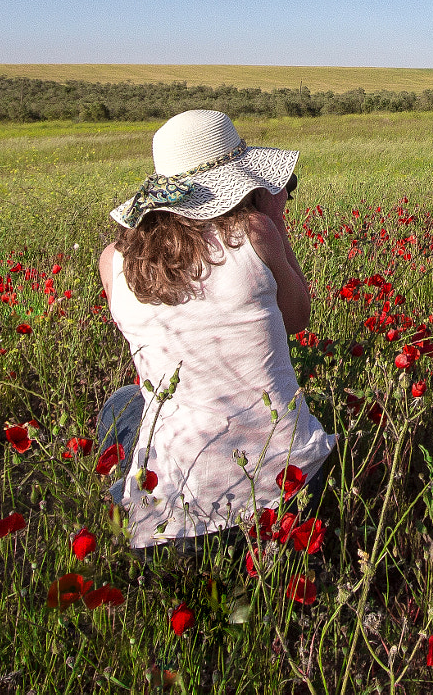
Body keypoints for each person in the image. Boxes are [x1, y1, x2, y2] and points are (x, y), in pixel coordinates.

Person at [94, 110, 335, 551]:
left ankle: (129, 515)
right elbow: (298, 317)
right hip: (288, 494)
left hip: (174, 525)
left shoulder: (113, 260)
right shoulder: (256, 231)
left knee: (123, 406)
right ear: (243, 184)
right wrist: (276, 221)